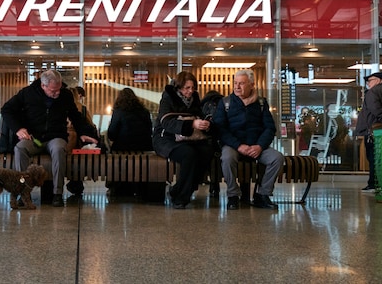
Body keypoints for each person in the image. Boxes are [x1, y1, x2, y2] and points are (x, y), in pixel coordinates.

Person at [0, 69, 98, 207]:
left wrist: (83, 131)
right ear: (43, 85)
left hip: (55, 136)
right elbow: (7, 109)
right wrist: (19, 129)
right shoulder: (28, 93)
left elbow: (75, 115)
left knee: (59, 150)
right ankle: (23, 192)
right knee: (20, 148)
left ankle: (57, 193)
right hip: (34, 138)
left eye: (58, 89)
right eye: (53, 91)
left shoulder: (65, 95)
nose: (57, 93)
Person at [213, 69, 284, 210]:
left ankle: (262, 195)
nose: (237, 87)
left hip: (256, 145)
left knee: (277, 158)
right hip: (233, 145)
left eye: (242, 83)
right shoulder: (225, 103)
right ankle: (233, 195)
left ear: (252, 84)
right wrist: (238, 146)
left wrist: (259, 146)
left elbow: (269, 128)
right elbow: (220, 129)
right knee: (227, 158)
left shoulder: (261, 103)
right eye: (235, 83)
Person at [152, 71, 213, 209]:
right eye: (187, 88)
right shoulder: (168, 98)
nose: (190, 91)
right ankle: (181, 198)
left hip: (187, 138)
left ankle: (177, 190)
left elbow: (200, 115)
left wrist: (204, 124)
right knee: (188, 154)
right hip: (165, 138)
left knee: (206, 152)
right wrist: (191, 124)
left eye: (192, 88)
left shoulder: (195, 99)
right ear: (179, 87)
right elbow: (166, 123)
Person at [107, 87, 153, 196]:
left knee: (114, 155)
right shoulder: (144, 111)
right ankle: (139, 187)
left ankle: (117, 186)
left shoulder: (118, 112)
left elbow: (112, 134)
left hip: (123, 147)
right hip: (144, 147)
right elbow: (149, 130)